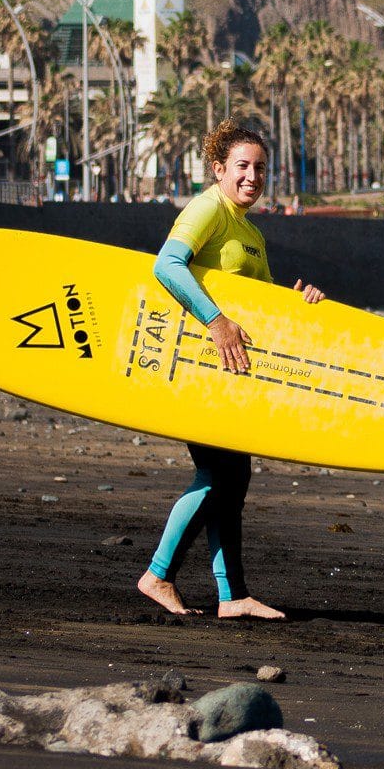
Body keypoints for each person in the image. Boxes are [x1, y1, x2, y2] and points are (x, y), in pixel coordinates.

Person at [137, 120, 325, 620]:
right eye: (242, 166)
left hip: (228, 376)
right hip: (195, 365)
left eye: (260, 167)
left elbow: (264, 307)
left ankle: (232, 595)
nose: (252, 176)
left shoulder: (251, 233)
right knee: (219, 473)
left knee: (231, 475)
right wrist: (216, 322)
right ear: (219, 169)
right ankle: (158, 574)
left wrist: (300, 300)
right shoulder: (208, 209)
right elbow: (168, 265)